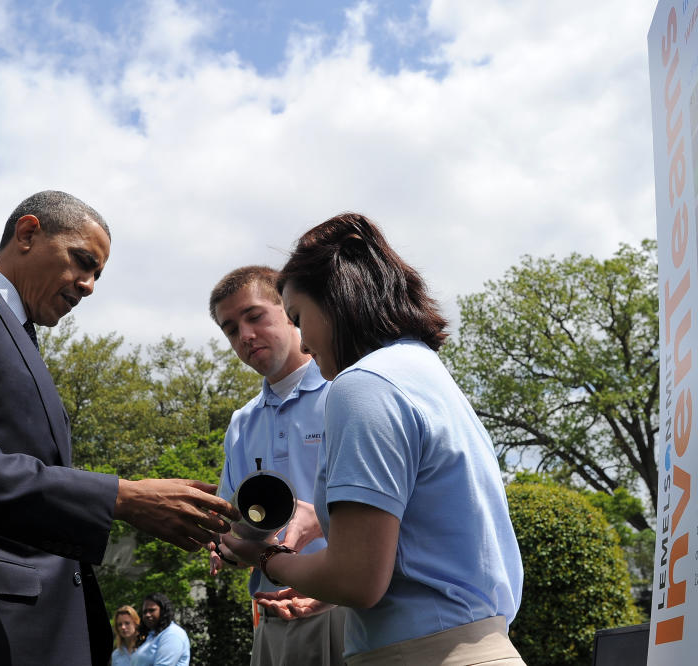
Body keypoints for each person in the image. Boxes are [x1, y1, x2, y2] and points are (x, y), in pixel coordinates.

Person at [0, 191, 238, 666]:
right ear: (28, 233)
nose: (90, 285)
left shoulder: (19, 338)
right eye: (83, 261)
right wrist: (121, 497)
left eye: (98, 274)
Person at [222, 213, 525, 665]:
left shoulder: (363, 384)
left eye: (300, 318)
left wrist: (267, 554)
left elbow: (356, 580)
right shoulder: (422, 370)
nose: (304, 342)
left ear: (336, 301)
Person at [207, 265, 344, 665]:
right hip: (269, 623)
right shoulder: (241, 423)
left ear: (290, 311)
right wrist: (225, 544)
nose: (245, 336)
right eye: (231, 328)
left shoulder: (346, 391)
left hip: (343, 609)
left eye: (254, 316)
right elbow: (229, 528)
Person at [131, 593, 190, 666]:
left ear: (163, 611)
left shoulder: (172, 634)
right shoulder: (152, 635)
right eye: (144, 612)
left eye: (152, 610)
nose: (147, 615)